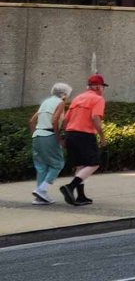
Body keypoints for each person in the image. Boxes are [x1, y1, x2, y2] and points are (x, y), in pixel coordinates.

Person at [59, 74, 107, 206]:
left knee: (80, 165)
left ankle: (81, 196)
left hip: (71, 134)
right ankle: (70, 187)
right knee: (94, 163)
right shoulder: (98, 99)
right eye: (102, 86)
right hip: (84, 135)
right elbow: (95, 118)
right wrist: (102, 136)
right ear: (97, 87)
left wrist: (64, 136)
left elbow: (65, 120)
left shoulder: (77, 98)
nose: (103, 89)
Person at [28, 82, 71, 204]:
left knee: (41, 167)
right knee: (58, 163)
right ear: (63, 94)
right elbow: (54, 120)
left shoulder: (45, 102)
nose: (67, 97)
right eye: (67, 94)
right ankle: (42, 189)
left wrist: (34, 134)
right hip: (49, 135)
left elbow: (31, 121)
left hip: (37, 136)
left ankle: (39, 197)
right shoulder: (60, 102)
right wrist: (58, 139)